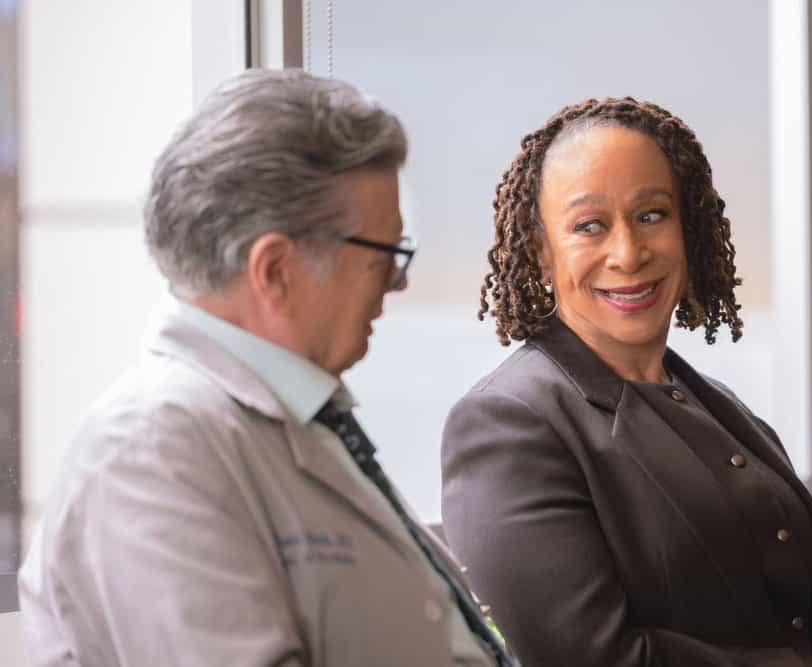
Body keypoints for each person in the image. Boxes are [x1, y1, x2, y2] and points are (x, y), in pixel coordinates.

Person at [19, 69, 509, 667]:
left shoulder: (302, 421)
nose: (397, 285)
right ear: (276, 269)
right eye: (387, 257)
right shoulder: (148, 450)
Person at [441, 97, 812, 667]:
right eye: (589, 226)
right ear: (542, 254)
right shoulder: (506, 423)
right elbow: (588, 657)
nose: (628, 252)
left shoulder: (721, 407)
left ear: (687, 229)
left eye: (651, 215)